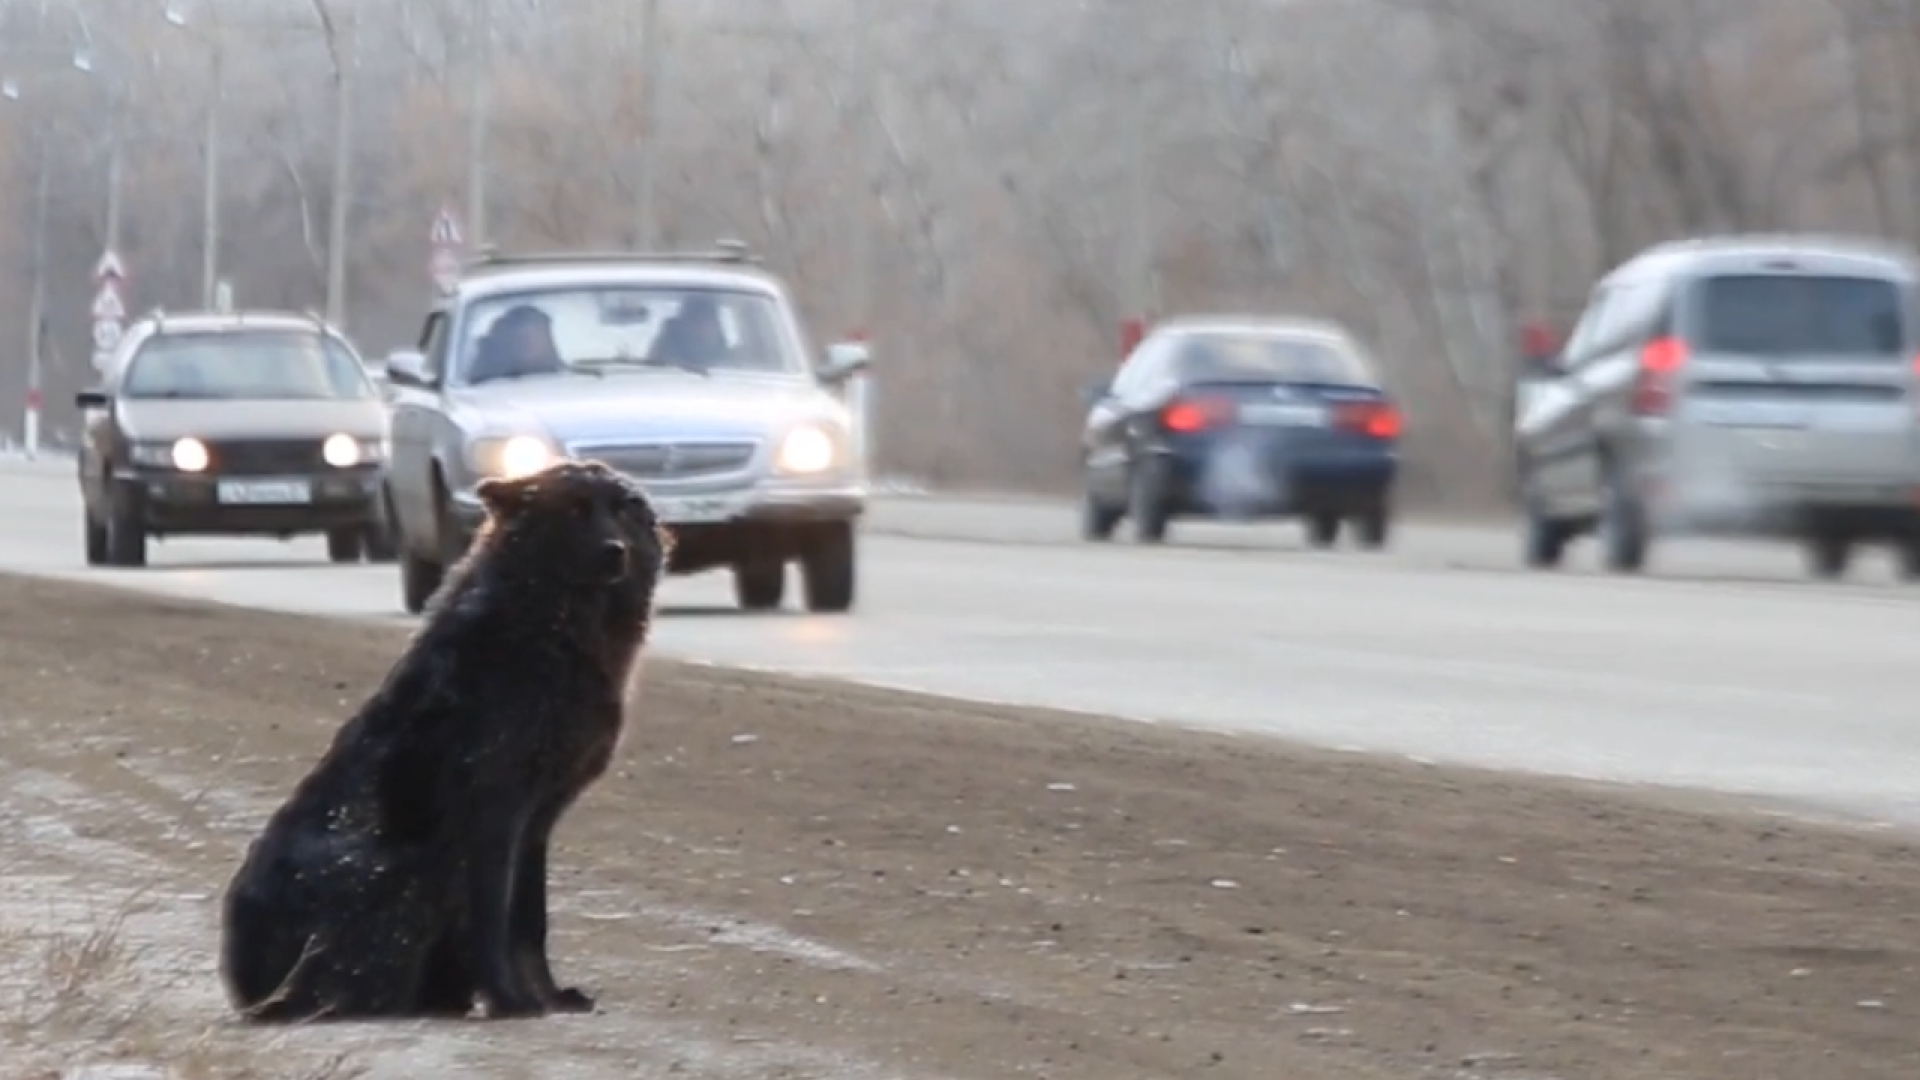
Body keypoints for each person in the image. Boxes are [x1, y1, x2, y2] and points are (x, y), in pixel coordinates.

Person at [469, 304, 564, 384]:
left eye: (537, 335)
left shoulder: (564, 379)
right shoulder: (482, 383)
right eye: (523, 337)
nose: (529, 343)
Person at [650, 295, 733, 370]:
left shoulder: (734, 364)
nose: (700, 328)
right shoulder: (663, 356)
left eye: (706, 321)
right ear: (682, 325)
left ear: (716, 327)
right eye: (695, 321)